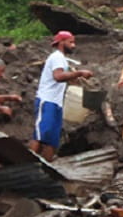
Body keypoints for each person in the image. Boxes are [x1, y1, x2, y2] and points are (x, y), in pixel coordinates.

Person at [31, 32, 92, 160]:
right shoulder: (57, 57)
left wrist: (75, 78)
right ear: (61, 42)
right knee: (41, 135)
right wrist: (79, 73)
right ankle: (24, 166)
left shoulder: (62, 59)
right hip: (46, 100)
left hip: (56, 103)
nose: (73, 45)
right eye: (70, 42)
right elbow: (58, 76)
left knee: (52, 140)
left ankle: (46, 169)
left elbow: (63, 78)